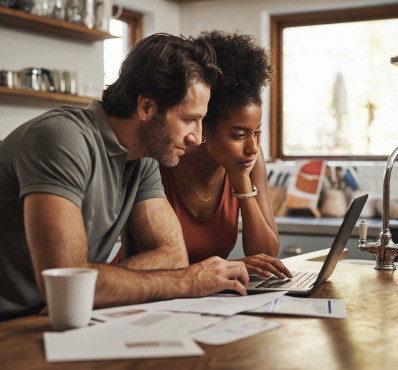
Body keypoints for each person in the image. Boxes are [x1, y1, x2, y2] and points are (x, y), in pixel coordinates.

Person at [0, 33, 249, 328]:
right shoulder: (62, 139)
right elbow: (68, 283)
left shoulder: (142, 159)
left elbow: (172, 255)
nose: (197, 137)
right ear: (146, 107)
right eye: (190, 119)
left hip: (62, 319)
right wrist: (186, 282)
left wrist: (95, 287)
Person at [118, 30, 292, 280]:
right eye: (238, 135)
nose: (253, 147)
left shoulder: (249, 160)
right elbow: (141, 258)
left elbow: (266, 255)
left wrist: (242, 181)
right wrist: (231, 266)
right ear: (204, 126)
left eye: (257, 132)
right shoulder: (160, 157)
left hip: (206, 296)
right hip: (142, 290)